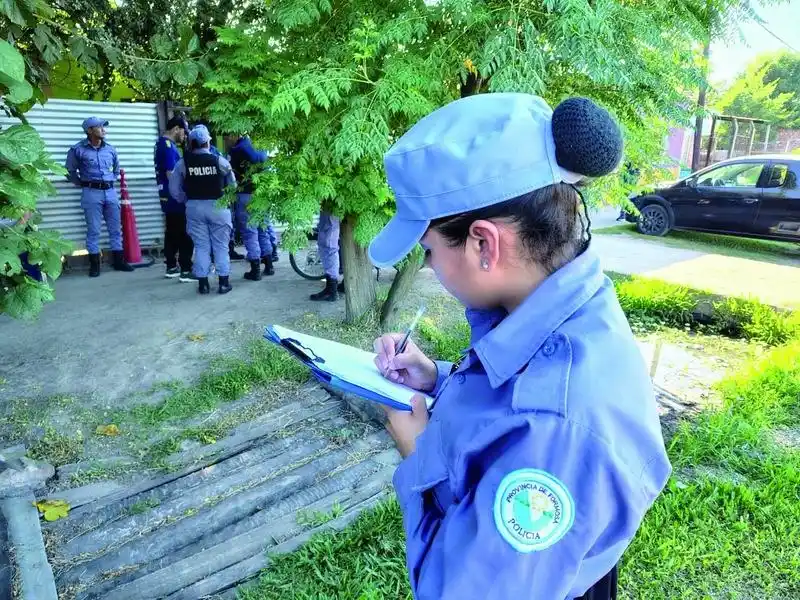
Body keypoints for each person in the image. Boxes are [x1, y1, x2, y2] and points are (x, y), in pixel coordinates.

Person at [370, 94, 671, 599]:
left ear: (483, 244)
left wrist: (420, 451)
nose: (429, 269)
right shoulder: (565, 305)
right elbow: (509, 408)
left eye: (428, 252)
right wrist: (439, 379)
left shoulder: (555, 429)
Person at [169, 125, 237, 295]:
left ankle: (203, 285)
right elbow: (233, 186)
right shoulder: (219, 161)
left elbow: (174, 189)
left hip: (194, 208)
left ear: (191, 143)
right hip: (218, 207)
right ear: (208, 142)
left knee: (201, 247)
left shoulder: (183, 163)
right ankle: (223, 283)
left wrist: (187, 200)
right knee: (221, 246)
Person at [65, 117, 134, 277]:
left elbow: (116, 169)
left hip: (110, 192)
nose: (104, 129)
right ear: (89, 131)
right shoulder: (77, 150)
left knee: (115, 229)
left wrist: (111, 181)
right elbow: (69, 172)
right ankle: (95, 265)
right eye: (100, 127)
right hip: (91, 193)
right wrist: (84, 183)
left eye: (104, 127)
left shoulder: (110, 149)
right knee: (94, 230)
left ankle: (119, 261)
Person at [228, 134, 276, 280]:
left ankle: (255, 270)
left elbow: (232, 175)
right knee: (263, 228)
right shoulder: (261, 146)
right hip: (262, 194)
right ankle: (269, 265)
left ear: (234, 133)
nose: (227, 138)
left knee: (250, 232)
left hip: (246, 194)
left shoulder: (236, 150)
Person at [155, 116, 195, 281]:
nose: (185, 136)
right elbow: (172, 174)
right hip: (174, 197)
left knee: (171, 231)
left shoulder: (161, 144)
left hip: (167, 197)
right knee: (184, 233)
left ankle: (171, 266)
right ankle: (186, 269)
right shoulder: (168, 147)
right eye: (184, 132)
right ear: (176, 129)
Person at [309, 211, 344, 301]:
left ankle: (331, 291)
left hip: (331, 207)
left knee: (329, 246)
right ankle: (340, 286)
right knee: (332, 244)